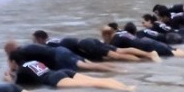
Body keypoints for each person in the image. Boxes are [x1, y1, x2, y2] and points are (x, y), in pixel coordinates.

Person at [6, 55, 135, 92]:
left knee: (92, 85)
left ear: (13, 62)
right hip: (62, 72)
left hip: (54, 79)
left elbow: (17, 87)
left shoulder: (21, 70)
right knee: (94, 80)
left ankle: (126, 89)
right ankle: (123, 86)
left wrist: (9, 79)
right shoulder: (33, 61)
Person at [31, 30, 159, 63]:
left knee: (116, 55)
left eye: (35, 41)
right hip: (87, 41)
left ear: (40, 39)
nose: (35, 44)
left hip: (86, 45)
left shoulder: (48, 44)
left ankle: (146, 58)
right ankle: (147, 55)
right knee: (120, 51)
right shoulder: (55, 39)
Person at [3, 40, 120, 73]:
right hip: (61, 51)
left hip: (58, 57)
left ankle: (120, 71)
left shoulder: (20, 53)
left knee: (89, 67)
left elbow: (19, 69)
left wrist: (10, 68)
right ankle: (117, 68)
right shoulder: (27, 47)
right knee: (91, 65)